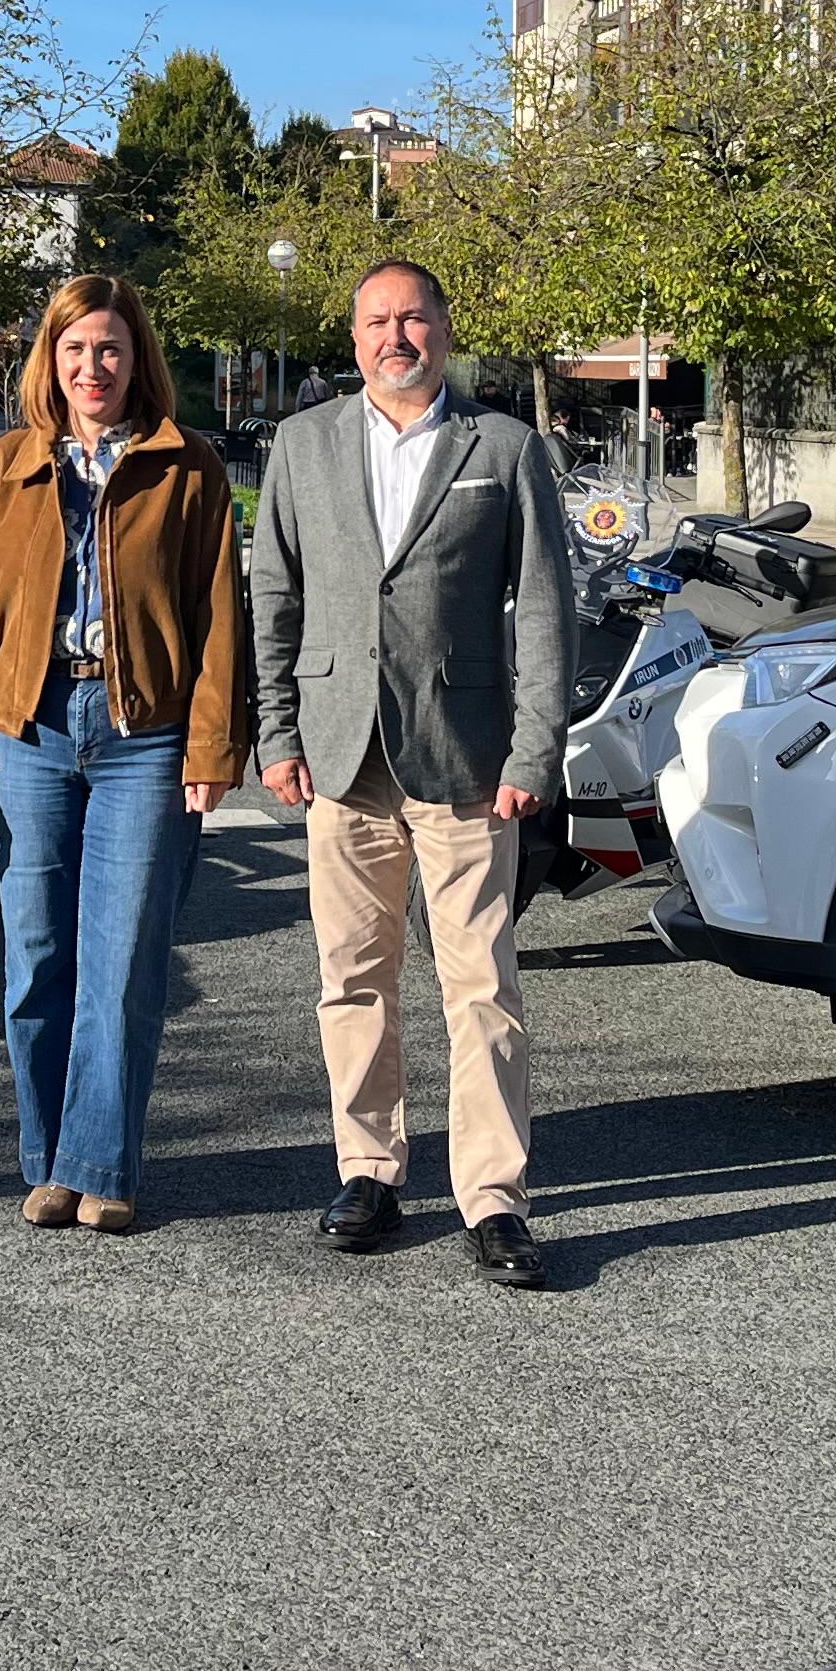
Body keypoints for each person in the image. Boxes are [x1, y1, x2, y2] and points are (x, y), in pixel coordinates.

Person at [249, 256, 575, 1289]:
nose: (398, 337)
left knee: (481, 983)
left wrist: (536, 748)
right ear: (354, 342)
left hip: (467, 757)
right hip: (341, 752)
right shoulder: (302, 447)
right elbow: (274, 598)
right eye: (378, 322)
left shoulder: (507, 448)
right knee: (352, 978)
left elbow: (547, 613)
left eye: (415, 319)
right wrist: (276, 732)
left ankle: (493, 1199)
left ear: (445, 328)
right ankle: (371, 1171)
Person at [0, 274, 249, 1235]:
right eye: (75, 349)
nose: (93, 366)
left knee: (120, 960)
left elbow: (218, 618)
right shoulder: (4, 468)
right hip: (27, 730)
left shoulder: (187, 467)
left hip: (143, 737)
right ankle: (47, 1161)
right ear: (52, 360)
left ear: (135, 357)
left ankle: (102, 1164)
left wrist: (212, 745)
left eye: (109, 348)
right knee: (36, 955)